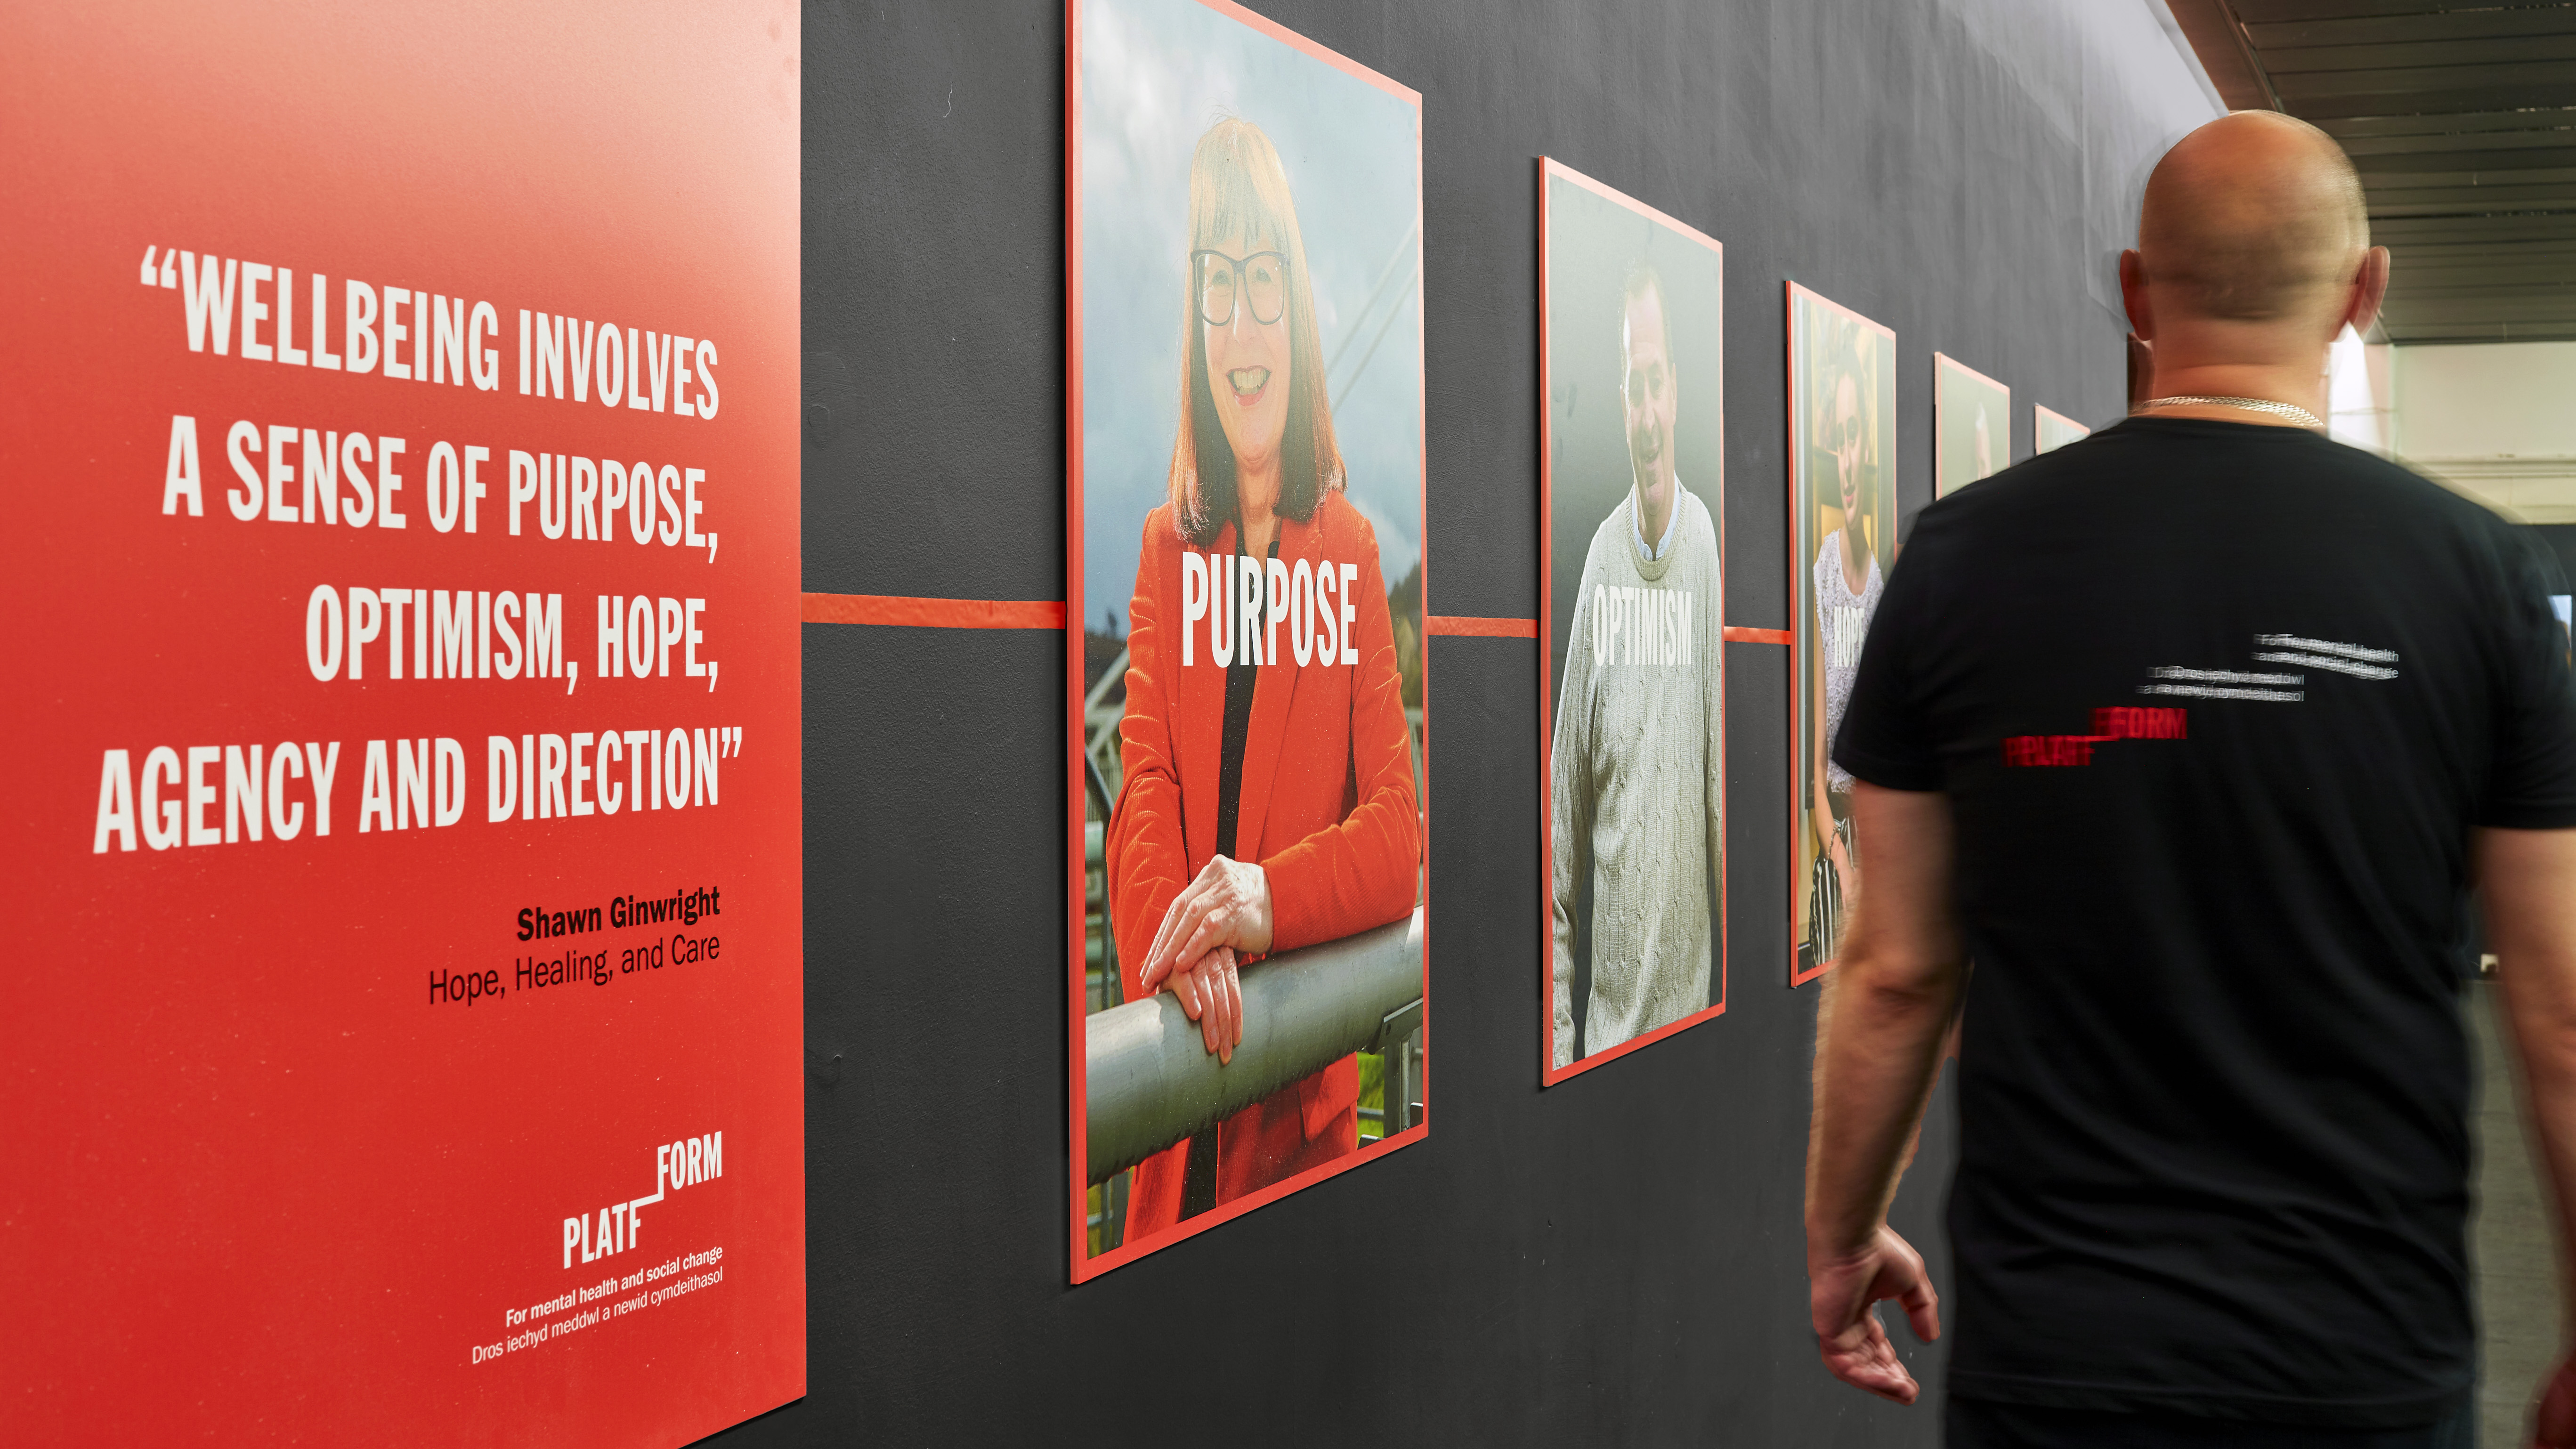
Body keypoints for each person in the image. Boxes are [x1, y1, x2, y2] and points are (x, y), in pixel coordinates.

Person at [1804, 110, 2576, 1447]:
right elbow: (2557, 1012)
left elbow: (1893, 970)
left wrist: (1840, 1234)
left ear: (2130, 291)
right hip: (2360, 1358)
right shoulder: (2476, 577)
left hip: (2059, 1362)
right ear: (2359, 291)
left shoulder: (1959, 559)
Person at [1108, 117, 1420, 1237]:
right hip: (1174, 1125)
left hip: (1300, 1153)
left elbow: (1397, 835)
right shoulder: (1160, 550)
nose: (1241, 325)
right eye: (1215, 283)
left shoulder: (1351, 554)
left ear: (1299, 305)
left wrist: (1261, 901)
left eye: (1264, 281)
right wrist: (1176, 942)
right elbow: (1139, 791)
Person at [1550, 262, 1725, 1067]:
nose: (1647, 413)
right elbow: (1559, 832)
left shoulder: (1704, 552)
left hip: (1694, 1037)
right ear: (1621, 405)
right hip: (1604, 1057)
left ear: (1676, 392)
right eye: (1632, 387)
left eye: (1656, 383)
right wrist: (1560, 1040)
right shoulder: (1596, 567)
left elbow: (1720, 802)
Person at [1800, 323, 1883, 974]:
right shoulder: (1821, 576)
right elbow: (1812, 782)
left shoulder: (1879, 579)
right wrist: (1843, 864)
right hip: (1840, 864)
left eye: (1855, 438)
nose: (1847, 460)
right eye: (1838, 441)